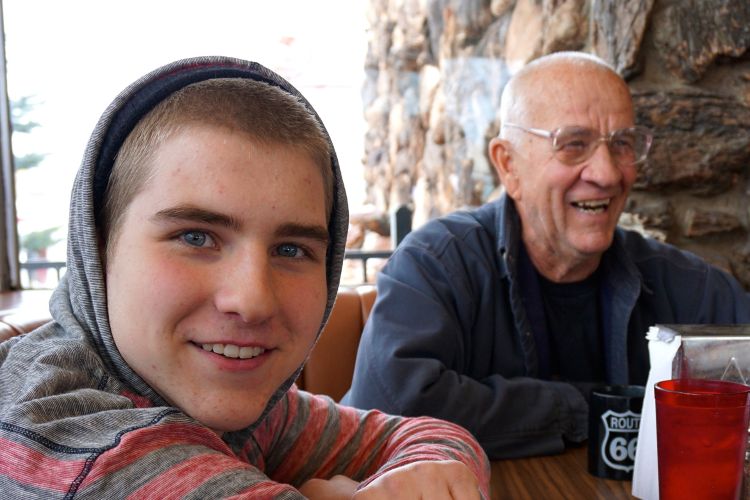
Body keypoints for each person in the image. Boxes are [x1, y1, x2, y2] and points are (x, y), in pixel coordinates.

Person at [0, 56, 490, 498]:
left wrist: (432, 468)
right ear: (98, 247)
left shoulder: (256, 408)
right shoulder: (66, 438)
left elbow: (433, 437)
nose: (253, 299)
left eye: (291, 249)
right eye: (196, 237)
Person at [342, 51, 750, 460]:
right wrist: (590, 407)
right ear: (508, 166)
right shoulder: (438, 265)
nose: (607, 174)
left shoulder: (686, 285)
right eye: (573, 145)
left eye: (622, 143)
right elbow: (389, 407)